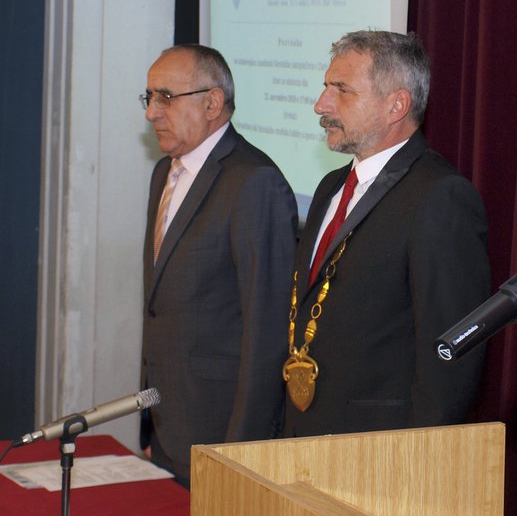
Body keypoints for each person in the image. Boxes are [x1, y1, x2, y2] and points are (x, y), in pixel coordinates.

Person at [281, 30, 490, 438]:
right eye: (325, 87)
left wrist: (413, 457)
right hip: (304, 434)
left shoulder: (439, 196)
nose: (321, 105)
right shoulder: (329, 187)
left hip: (379, 447)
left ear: (397, 105)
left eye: (341, 90)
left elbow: (449, 358)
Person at [140, 44, 297, 486]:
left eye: (166, 97)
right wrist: (149, 424)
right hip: (167, 423)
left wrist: (240, 451)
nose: (152, 113)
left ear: (212, 103)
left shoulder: (254, 181)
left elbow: (267, 331)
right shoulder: (164, 173)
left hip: (221, 432)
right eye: (148, 98)